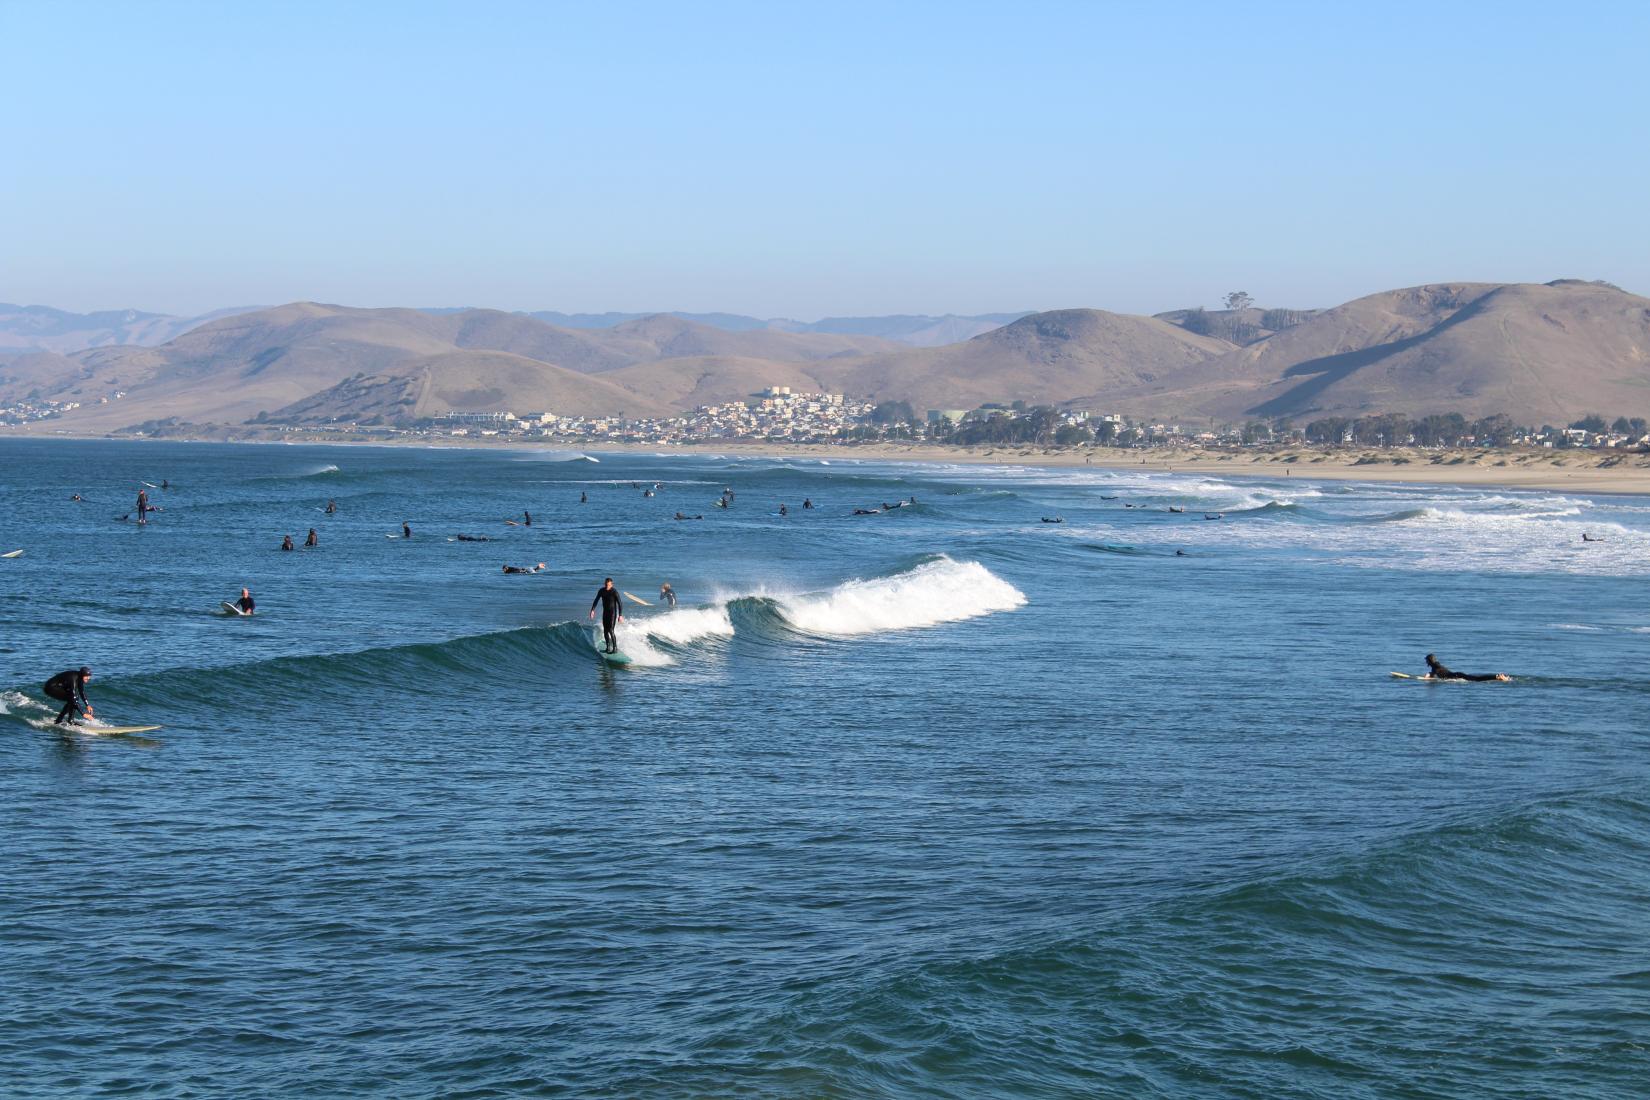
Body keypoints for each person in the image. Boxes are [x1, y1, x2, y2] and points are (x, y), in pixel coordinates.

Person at [589, 577, 623, 653]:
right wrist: (592, 610)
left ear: (611, 585)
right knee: (605, 631)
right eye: (605, 584)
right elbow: (596, 600)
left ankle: (615, 648)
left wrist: (620, 615)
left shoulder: (614, 592)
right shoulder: (601, 591)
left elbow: (620, 604)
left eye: (608, 585)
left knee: (611, 630)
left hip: (612, 613)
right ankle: (607, 647)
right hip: (605, 613)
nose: (607, 586)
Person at [1424, 653, 1510, 682]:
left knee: (1477, 680)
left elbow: (1437, 670)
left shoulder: (1436, 665)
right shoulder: (1435, 666)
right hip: (1457, 675)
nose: (1426, 662)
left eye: (1426, 660)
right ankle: (1497, 677)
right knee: (1477, 678)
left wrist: (1428, 675)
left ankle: (1497, 677)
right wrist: (1430, 674)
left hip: (1456, 676)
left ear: (1429, 661)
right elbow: (1435, 672)